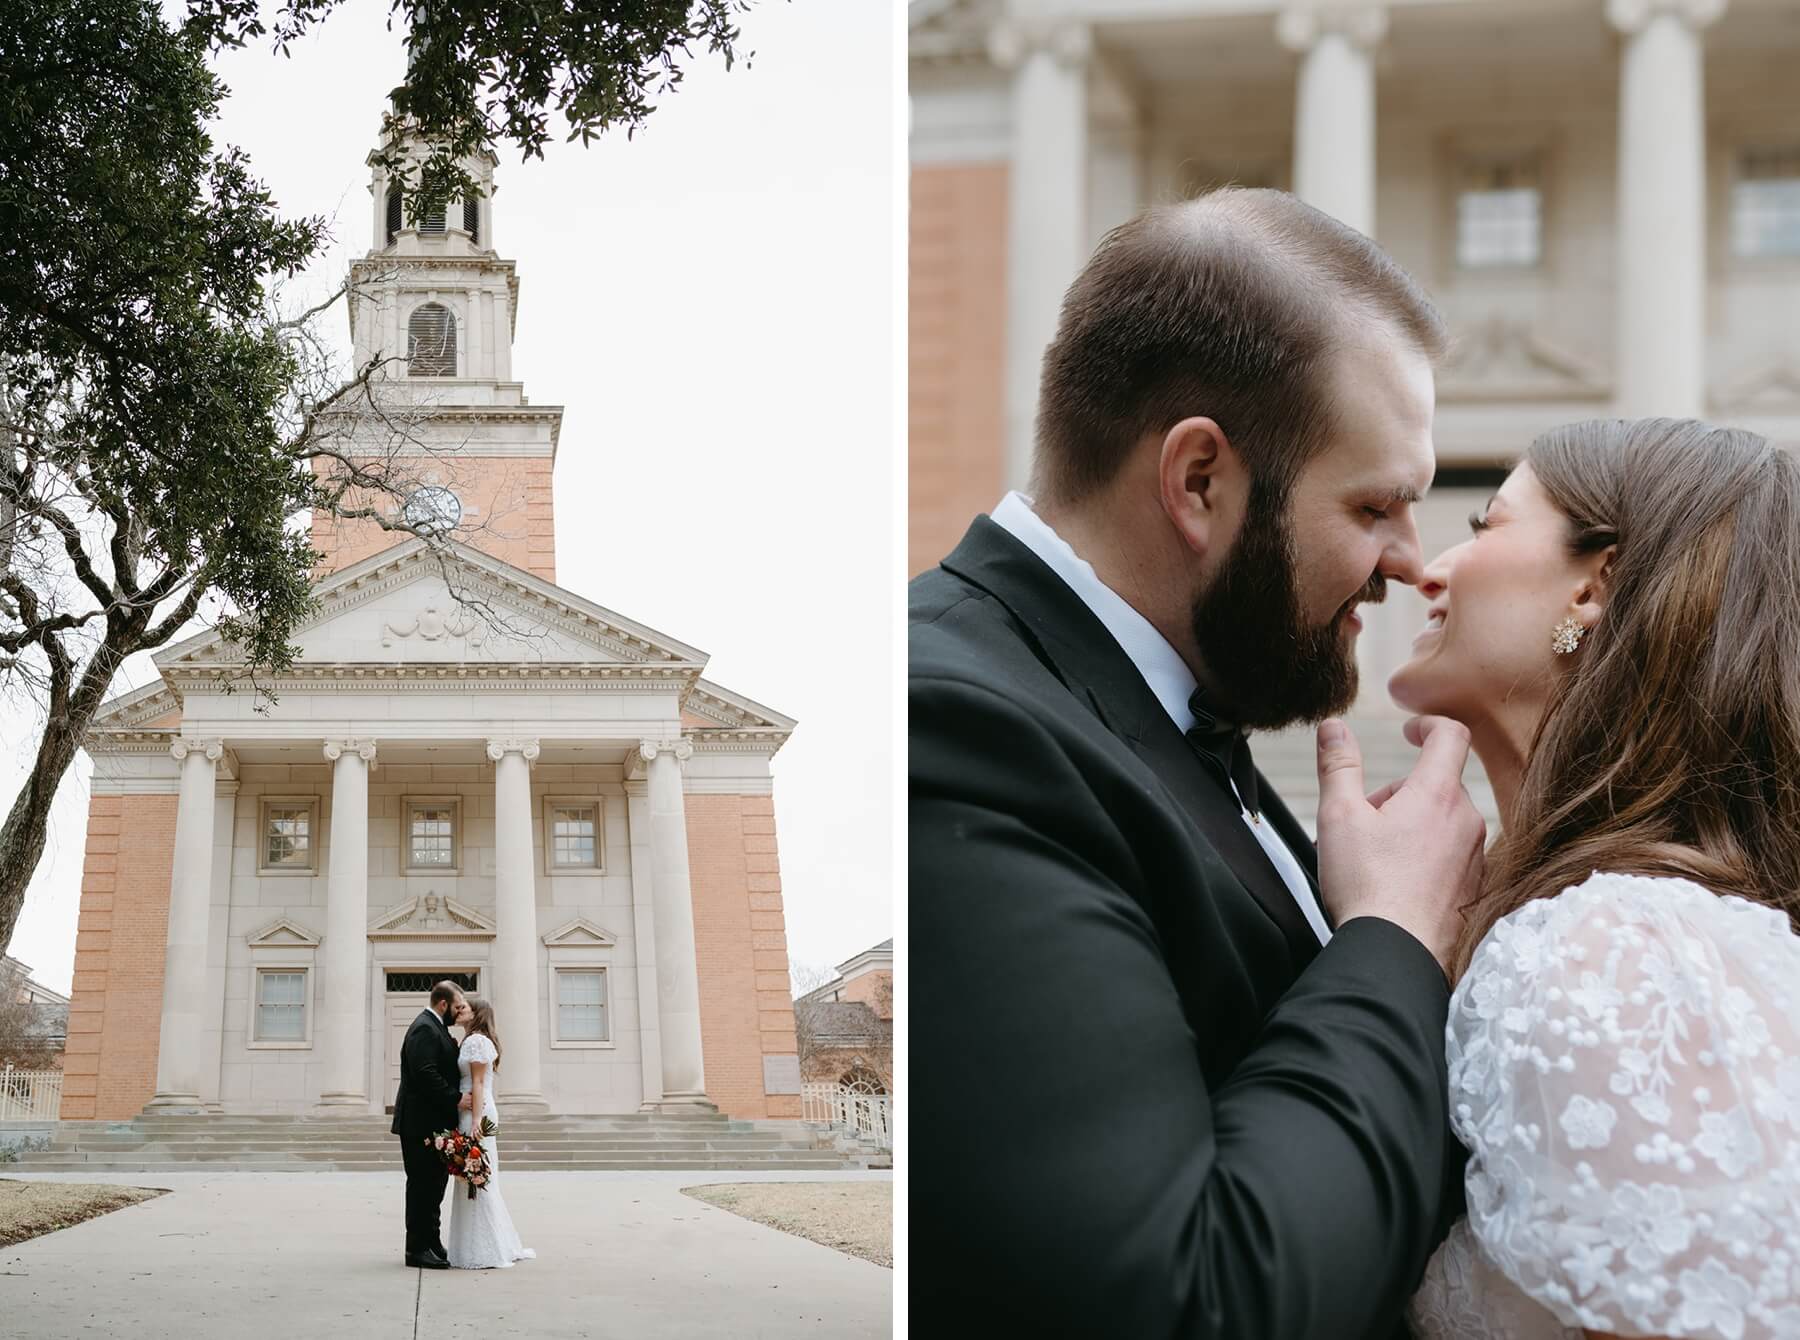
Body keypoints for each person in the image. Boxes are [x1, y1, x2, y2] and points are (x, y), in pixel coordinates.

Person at [910, 187, 1487, 1337]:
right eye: (1377, 505)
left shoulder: (1156, 700)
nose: (1410, 564)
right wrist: (1393, 940)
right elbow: (1185, 1299)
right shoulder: (958, 726)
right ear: (1199, 482)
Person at [1389, 419, 1800, 1339]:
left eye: (1486, 523)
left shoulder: (1608, 947)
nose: (1428, 569)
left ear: (1595, 585)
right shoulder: (1623, 930)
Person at [445, 995, 536, 1269]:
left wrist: (474, 1122)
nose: (458, 1011)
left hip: (476, 1112)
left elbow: (477, 1082)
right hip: (473, 1109)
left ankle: (485, 1248)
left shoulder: (476, 1041)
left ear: (477, 1014)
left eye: (464, 1008)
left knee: (476, 1176)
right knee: (475, 1176)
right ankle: (480, 1244)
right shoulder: (470, 1040)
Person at [392, 979, 467, 1269]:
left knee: (435, 1186)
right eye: (457, 1006)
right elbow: (425, 1073)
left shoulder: (435, 1027)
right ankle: (416, 1250)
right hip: (419, 1124)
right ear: (443, 1004)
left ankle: (432, 1243)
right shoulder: (424, 1027)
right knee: (422, 1187)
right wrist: (457, 1099)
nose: (459, 1012)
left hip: (432, 1123)